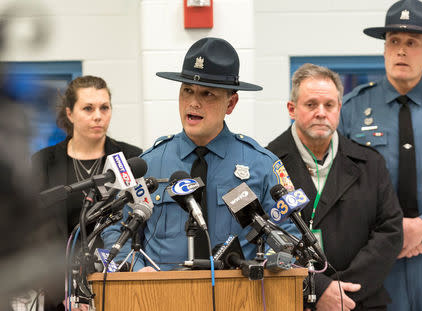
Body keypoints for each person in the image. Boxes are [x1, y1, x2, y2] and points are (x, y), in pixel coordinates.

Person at [102, 37, 296, 272]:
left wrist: (266, 269)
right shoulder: (149, 163)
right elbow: (115, 229)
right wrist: (137, 269)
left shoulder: (261, 164)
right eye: (187, 91)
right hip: (162, 298)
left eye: (208, 94)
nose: (193, 102)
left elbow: (289, 235)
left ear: (231, 103)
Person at [338, 0, 422, 310]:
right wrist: (392, 234)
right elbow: (339, 191)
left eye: (412, 42)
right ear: (385, 49)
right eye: (394, 42)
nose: (401, 50)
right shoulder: (352, 110)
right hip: (375, 262)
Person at [267, 63, 403, 311]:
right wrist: (318, 289)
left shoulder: (370, 163)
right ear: (292, 108)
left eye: (329, 105)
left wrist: (341, 290)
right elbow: (264, 236)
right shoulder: (267, 162)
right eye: (311, 104)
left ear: (339, 109)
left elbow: (390, 232)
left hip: (359, 300)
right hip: (295, 300)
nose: (321, 112)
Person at [31, 75, 142, 310]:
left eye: (104, 107)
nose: (98, 116)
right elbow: (34, 231)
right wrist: (61, 290)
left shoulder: (130, 158)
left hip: (116, 283)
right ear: (70, 113)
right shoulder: (44, 163)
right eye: (88, 108)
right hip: (59, 291)